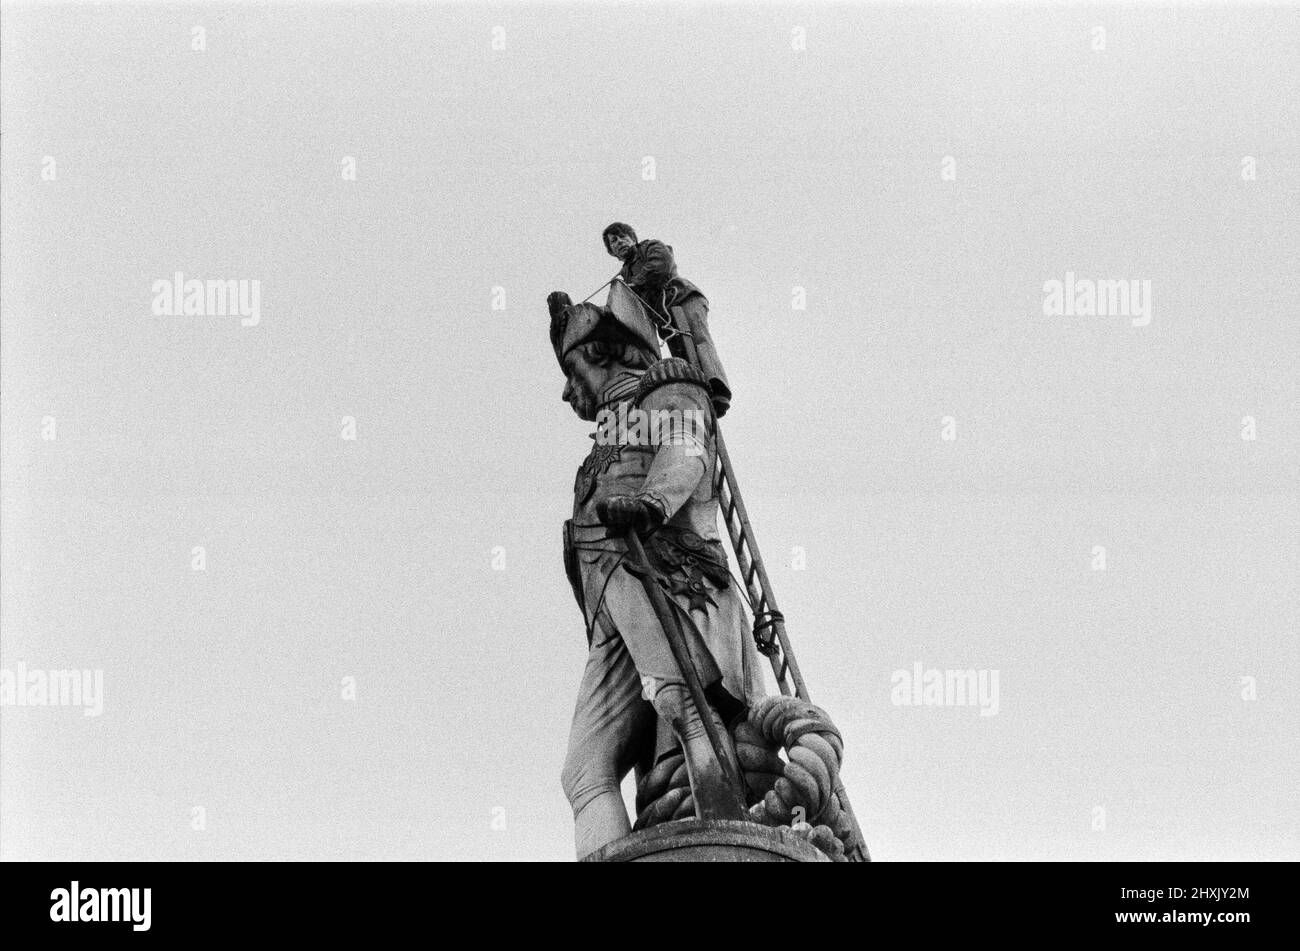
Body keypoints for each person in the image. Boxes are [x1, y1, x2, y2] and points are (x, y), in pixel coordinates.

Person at [546, 284, 765, 858]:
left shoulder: (664, 388)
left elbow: (685, 447)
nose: (568, 391)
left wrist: (652, 503)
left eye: (572, 369)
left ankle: (722, 833)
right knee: (584, 771)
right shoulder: (601, 443)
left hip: (656, 569)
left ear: (600, 353)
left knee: (682, 702)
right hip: (609, 594)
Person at [601, 222, 733, 417]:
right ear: (613, 252)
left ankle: (717, 387)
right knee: (681, 353)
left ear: (633, 238)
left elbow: (660, 266)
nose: (619, 242)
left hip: (681, 297)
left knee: (698, 339)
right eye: (614, 241)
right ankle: (694, 388)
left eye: (622, 236)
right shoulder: (625, 273)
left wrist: (633, 284)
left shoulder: (651, 247)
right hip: (663, 315)